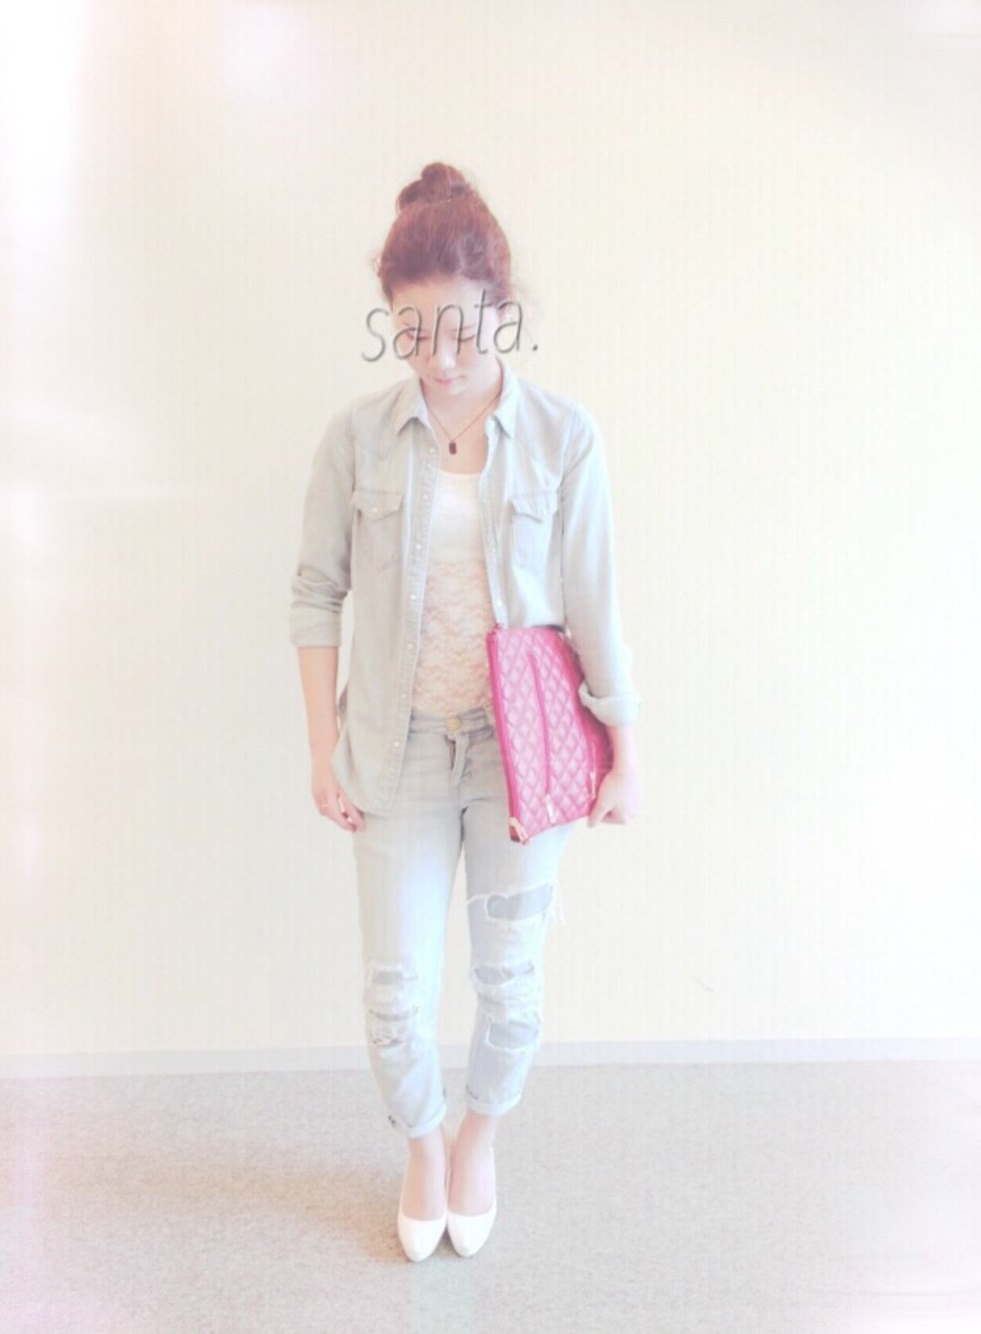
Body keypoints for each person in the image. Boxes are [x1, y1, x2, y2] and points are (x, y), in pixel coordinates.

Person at [289, 162, 642, 1261]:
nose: (437, 357)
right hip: (391, 750)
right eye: (410, 333)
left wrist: (625, 749)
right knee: (395, 994)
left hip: (515, 754)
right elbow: (315, 593)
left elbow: (594, 601)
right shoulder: (355, 439)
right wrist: (322, 750)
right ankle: (424, 1145)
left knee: (510, 986)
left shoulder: (563, 439)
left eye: (459, 328)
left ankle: (479, 1138)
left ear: (501, 306)